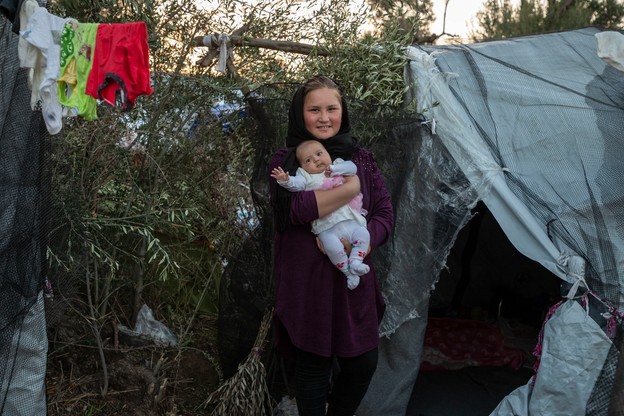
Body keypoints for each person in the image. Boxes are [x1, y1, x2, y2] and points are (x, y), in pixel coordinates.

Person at [269, 75, 394, 416]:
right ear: (300, 114)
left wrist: (364, 244)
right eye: (314, 109)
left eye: (331, 108)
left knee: (362, 364)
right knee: (313, 365)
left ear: (343, 112)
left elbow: (384, 213)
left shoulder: (361, 159)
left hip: (352, 279)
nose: (324, 118)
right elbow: (295, 211)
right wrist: (350, 190)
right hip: (308, 284)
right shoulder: (286, 161)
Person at [270, 139, 371, 290]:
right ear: (303, 166)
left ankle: (356, 261)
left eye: (319, 154)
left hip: (349, 220)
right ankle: (349, 273)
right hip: (326, 227)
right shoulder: (305, 176)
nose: (316, 159)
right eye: (308, 160)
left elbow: (352, 168)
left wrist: (337, 169)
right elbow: (296, 184)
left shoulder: (337, 165)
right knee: (331, 248)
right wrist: (286, 180)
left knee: (363, 234)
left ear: (327, 153)